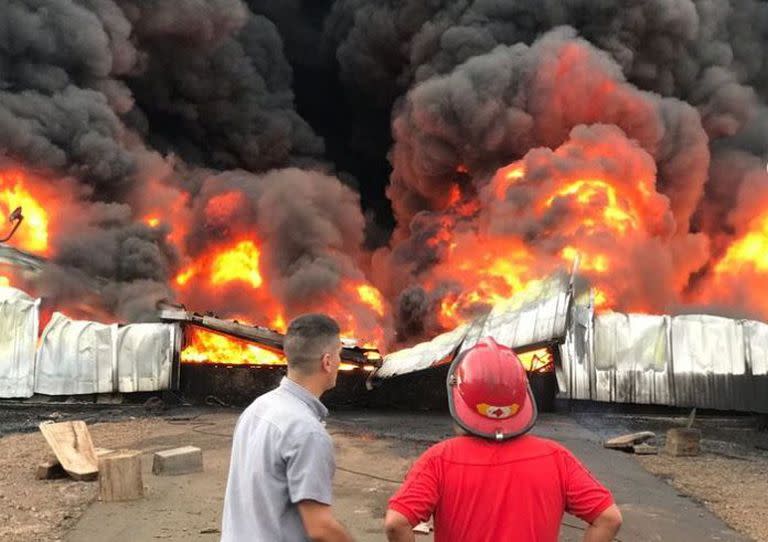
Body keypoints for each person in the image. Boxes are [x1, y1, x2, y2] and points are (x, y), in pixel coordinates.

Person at [384, 337, 622, 542]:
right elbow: (609, 518)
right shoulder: (556, 457)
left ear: (458, 397)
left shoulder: (439, 459)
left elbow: (397, 523)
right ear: (523, 398)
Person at [221, 313, 354, 542]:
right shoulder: (308, 432)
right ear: (327, 361)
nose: (340, 363)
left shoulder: (256, 409)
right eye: (339, 355)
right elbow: (320, 528)